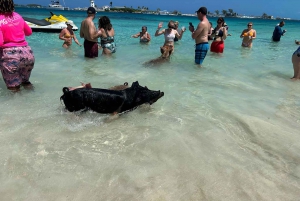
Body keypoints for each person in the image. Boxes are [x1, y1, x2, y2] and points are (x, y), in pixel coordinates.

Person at [0, 0, 35, 91]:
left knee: (14, 88)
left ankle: (18, 105)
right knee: (26, 82)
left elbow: (0, 43)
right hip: (27, 53)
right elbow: (29, 32)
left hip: (10, 55)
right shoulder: (18, 16)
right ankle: (34, 101)